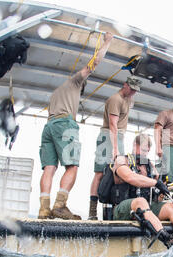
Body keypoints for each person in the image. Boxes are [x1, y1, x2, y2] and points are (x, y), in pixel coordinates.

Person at [38, 32, 114, 220]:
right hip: (65, 124)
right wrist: (107, 42)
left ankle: (43, 209)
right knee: (72, 166)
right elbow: (94, 63)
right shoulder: (75, 82)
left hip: (49, 126)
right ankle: (60, 205)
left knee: (49, 168)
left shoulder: (55, 93)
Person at [88, 76, 142, 220]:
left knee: (118, 175)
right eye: (131, 89)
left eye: (135, 90)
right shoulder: (115, 99)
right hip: (108, 137)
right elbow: (113, 125)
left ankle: (116, 211)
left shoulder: (128, 99)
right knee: (100, 173)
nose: (133, 92)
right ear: (125, 85)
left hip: (119, 137)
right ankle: (92, 213)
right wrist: (115, 150)